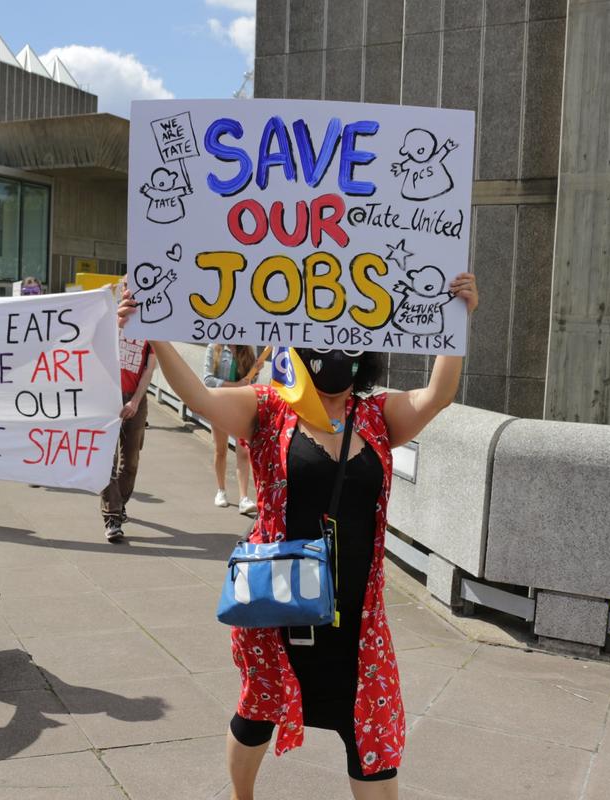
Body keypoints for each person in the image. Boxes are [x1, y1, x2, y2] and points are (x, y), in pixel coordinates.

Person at [118, 275, 478, 800]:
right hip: (279, 602)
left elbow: (439, 395)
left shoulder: (377, 416)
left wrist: (458, 316)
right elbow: (197, 395)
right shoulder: (266, 407)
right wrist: (155, 332)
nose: (333, 351)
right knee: (258, 710)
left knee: (371, 735)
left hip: (359, 617)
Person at [100, 325, 157, 542]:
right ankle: (112, 516)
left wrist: (135, 400)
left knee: (131, 461)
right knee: (107, 460)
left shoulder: (151, 326)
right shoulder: (110, 320)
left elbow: (149, 369)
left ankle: (119, 503)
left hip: (136, 396)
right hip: (107, 396)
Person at [202, 344, 264, 514]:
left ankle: (244, 497)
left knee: (243, 451)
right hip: (220, 404)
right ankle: (221, 490)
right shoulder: (214, 348)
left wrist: (256, 371)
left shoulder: (247, 350)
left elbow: (250, 382)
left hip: (240, 405)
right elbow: (208, 380)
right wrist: (236, 386)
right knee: (220, 450)